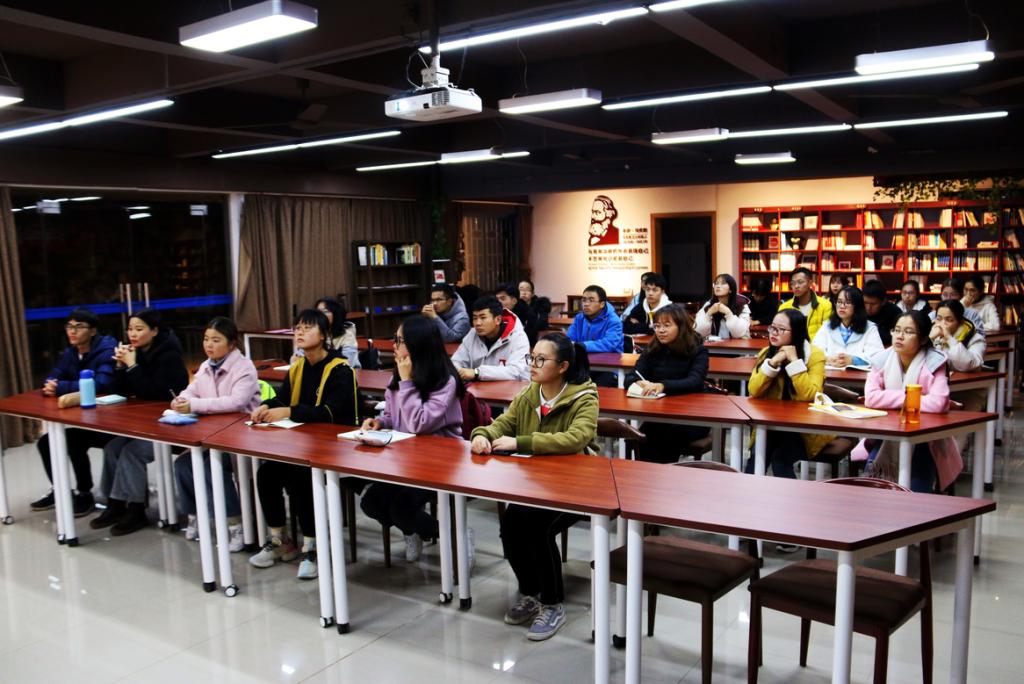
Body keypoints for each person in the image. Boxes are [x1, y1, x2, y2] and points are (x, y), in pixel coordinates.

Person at [470, 332, 599, 641]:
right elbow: (503, 423)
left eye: (541, 360)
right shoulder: (530, 393)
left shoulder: (584, 397)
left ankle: (553, 603)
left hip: (577, 487)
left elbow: (576, 438)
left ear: (563, 366)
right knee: (511, 526)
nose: (532, 365)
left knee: (537, 529)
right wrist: (482, 435)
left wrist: (521, 442)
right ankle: (531, 592)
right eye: (532, 357)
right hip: (535, 484)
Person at [248, 309, 359, 579]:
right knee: (266, 473)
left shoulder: (340, 369)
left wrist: (288, 411)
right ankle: (279, 539)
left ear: (323, 335)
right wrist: (266, 406)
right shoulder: (298, 367)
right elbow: (284, 398)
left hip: (337, 446)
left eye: (307, 328)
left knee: (300, 476)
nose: (299, 332)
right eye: (297, 328)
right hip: (302, 442)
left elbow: (331, 413)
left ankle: (313, 547)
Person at [359, 314, 467, 564]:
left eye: (400, 341)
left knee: (401, 507)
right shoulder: (399, 375)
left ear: (419, 344)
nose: (394, 345)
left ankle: (455, 536)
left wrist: (407, 382)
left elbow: (419, 424)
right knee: (371, 503)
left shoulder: (445, 380)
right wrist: (380, 422)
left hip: (439, 462)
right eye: (395, 339)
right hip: (405, 458)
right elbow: (392, 414)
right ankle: (413, 530)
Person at [91, 308, 189, 536]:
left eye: (139, 329)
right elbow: (122, 391)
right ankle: (116, 503)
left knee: (132, 453)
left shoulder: (169, 356)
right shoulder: (137, 352)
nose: (132, 334)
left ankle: (136, 509)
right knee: (113, 448)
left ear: (154, 331)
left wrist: (133, 366)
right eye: (130, 329)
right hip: (144, 422)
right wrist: (120, 366)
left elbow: (153, 392)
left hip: (170, 424)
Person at [170, 317, 260, 552]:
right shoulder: (205, 366)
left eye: (216, 340)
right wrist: (180, 400)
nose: (209, 345)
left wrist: (194, 405)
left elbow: (236, 402)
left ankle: (235, 525)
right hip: (214, 435)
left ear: (232, 343)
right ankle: (195, 515)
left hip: (243, 438)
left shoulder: (244, 367)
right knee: (183, 464)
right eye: (206, 339)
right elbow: (191, 391)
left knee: (213, 466)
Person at [853, 310, 961, 493]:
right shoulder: (882, 359)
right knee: (874, 487)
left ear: (924, 339)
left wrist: (888, 397)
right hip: (887, 434)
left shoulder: (935, 361)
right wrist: (912, 397)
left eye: (908, 332)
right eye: (896, 330)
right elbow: (871, 398)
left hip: (925, 439)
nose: (900, 336)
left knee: (917, 491)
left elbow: (939, 402)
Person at [31, 307, 117, 516]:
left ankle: (84, 493)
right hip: (86, 418)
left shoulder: (107, 349)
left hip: (112, 421)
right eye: (69, 326)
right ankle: (61, 490)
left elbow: (101, 384)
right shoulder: (71, 352)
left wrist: (60, 387)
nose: (72, 331)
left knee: (73, 442)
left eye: (79, 327)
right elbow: (54, 376)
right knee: (46, 442)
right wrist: (52, 384)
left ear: (93, 331)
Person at [745, 310, 832, 488]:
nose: (773, 333)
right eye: (772, 328)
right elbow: (753, 389)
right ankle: (746, 497)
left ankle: (792, 502)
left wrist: (794, 361)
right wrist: (773, 363)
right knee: (757, 457)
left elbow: (809, 394)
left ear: (796, 332)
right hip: (771, 425)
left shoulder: (815, 356)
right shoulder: (766, 353)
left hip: (804, 429)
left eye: (781, 329)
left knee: (780, 459)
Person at [623, 304, 710, 461]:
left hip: (692, 415)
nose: (660, 330)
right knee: (643, 436)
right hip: (660, 413)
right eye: (657, 326)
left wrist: (662, 385)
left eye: (667, 325)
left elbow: (695, 381)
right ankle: (645, 475)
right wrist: (638, 382)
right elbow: (630, 377)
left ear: (681, 326)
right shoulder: (652, 349)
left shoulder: (697, 350)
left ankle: (664, 475)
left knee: (669, 438)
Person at [451, 296, 531, 382]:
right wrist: (459, 372)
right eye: (475, 318)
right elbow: (456, 361)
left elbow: (516, 372)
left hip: (514, 388)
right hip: (479, 388)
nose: (477, 323)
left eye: (483, 318)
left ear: (498, 320)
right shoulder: (472, 334)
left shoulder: (518, 337)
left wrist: (477, 372)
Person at [811, 286, 884, 368]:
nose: (842, 306)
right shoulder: (827, 326)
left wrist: (853, 360)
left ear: (857, 306)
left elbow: (878, 357)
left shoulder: (870, 328)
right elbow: (814, 352)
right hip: (831, 374)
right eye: (839, 302)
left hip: (859, 375)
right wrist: (828, 359)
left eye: (848, 302)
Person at [566, 284, 623, 387]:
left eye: (591, 300)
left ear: (602, 304)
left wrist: (583, 345)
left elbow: (608, 344)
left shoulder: (614, 321)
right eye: (584, 300)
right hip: (584, 364)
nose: (586, 304)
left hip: (608, 367)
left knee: (595, 389)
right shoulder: (579, 318)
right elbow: (569, 339)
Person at [778, 267, 832, 339]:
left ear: (810, 283)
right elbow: (780, 334)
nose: (796, 286)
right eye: (793, 283)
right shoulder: (784, 307)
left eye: (800, 282)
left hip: (817, 345)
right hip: (793, 345)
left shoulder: (825, 305)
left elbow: (828, 334)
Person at [694, 273, 751, 339]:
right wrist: (709, 313)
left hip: (738, 344)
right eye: (716, 283)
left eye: (723, 283)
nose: (718, 286)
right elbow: (698, 331)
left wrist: (728, 313)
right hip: (716, 344)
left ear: (730, 289)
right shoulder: (709, 305)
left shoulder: (741, 304)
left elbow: (739, 333)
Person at [316, 297, 360, 368]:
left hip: (345, 372)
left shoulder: (347, 334)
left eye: (325, 311)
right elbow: (300, 357)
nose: (320, 315)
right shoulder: (314, 333)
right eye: (318, 312)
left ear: (335, 314)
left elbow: (347, 362)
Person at [496, 282, 539, 346]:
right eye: (497, 299)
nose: (498, 302)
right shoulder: (495, 314)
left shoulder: (528, 317)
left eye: (502, 299)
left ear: (514, 301)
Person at [862, 279, 902, 347]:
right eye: (865, 303)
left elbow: (898, 336)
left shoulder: (895, 312)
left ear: (883, 301)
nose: (868, 308)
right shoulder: (858, 309)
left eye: (873, 304)